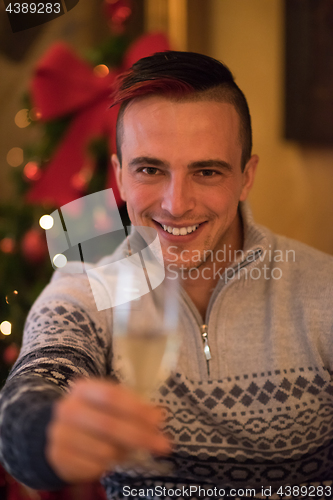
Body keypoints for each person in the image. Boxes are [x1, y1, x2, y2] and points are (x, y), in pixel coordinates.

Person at [0, 51, 333, 500]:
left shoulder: (323, 291)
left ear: (246, 177)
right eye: (150, 169)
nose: (176, 204)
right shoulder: (88, 283)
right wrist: (45, 430)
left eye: (207, 171)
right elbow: (30, 390)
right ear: (118, 176)